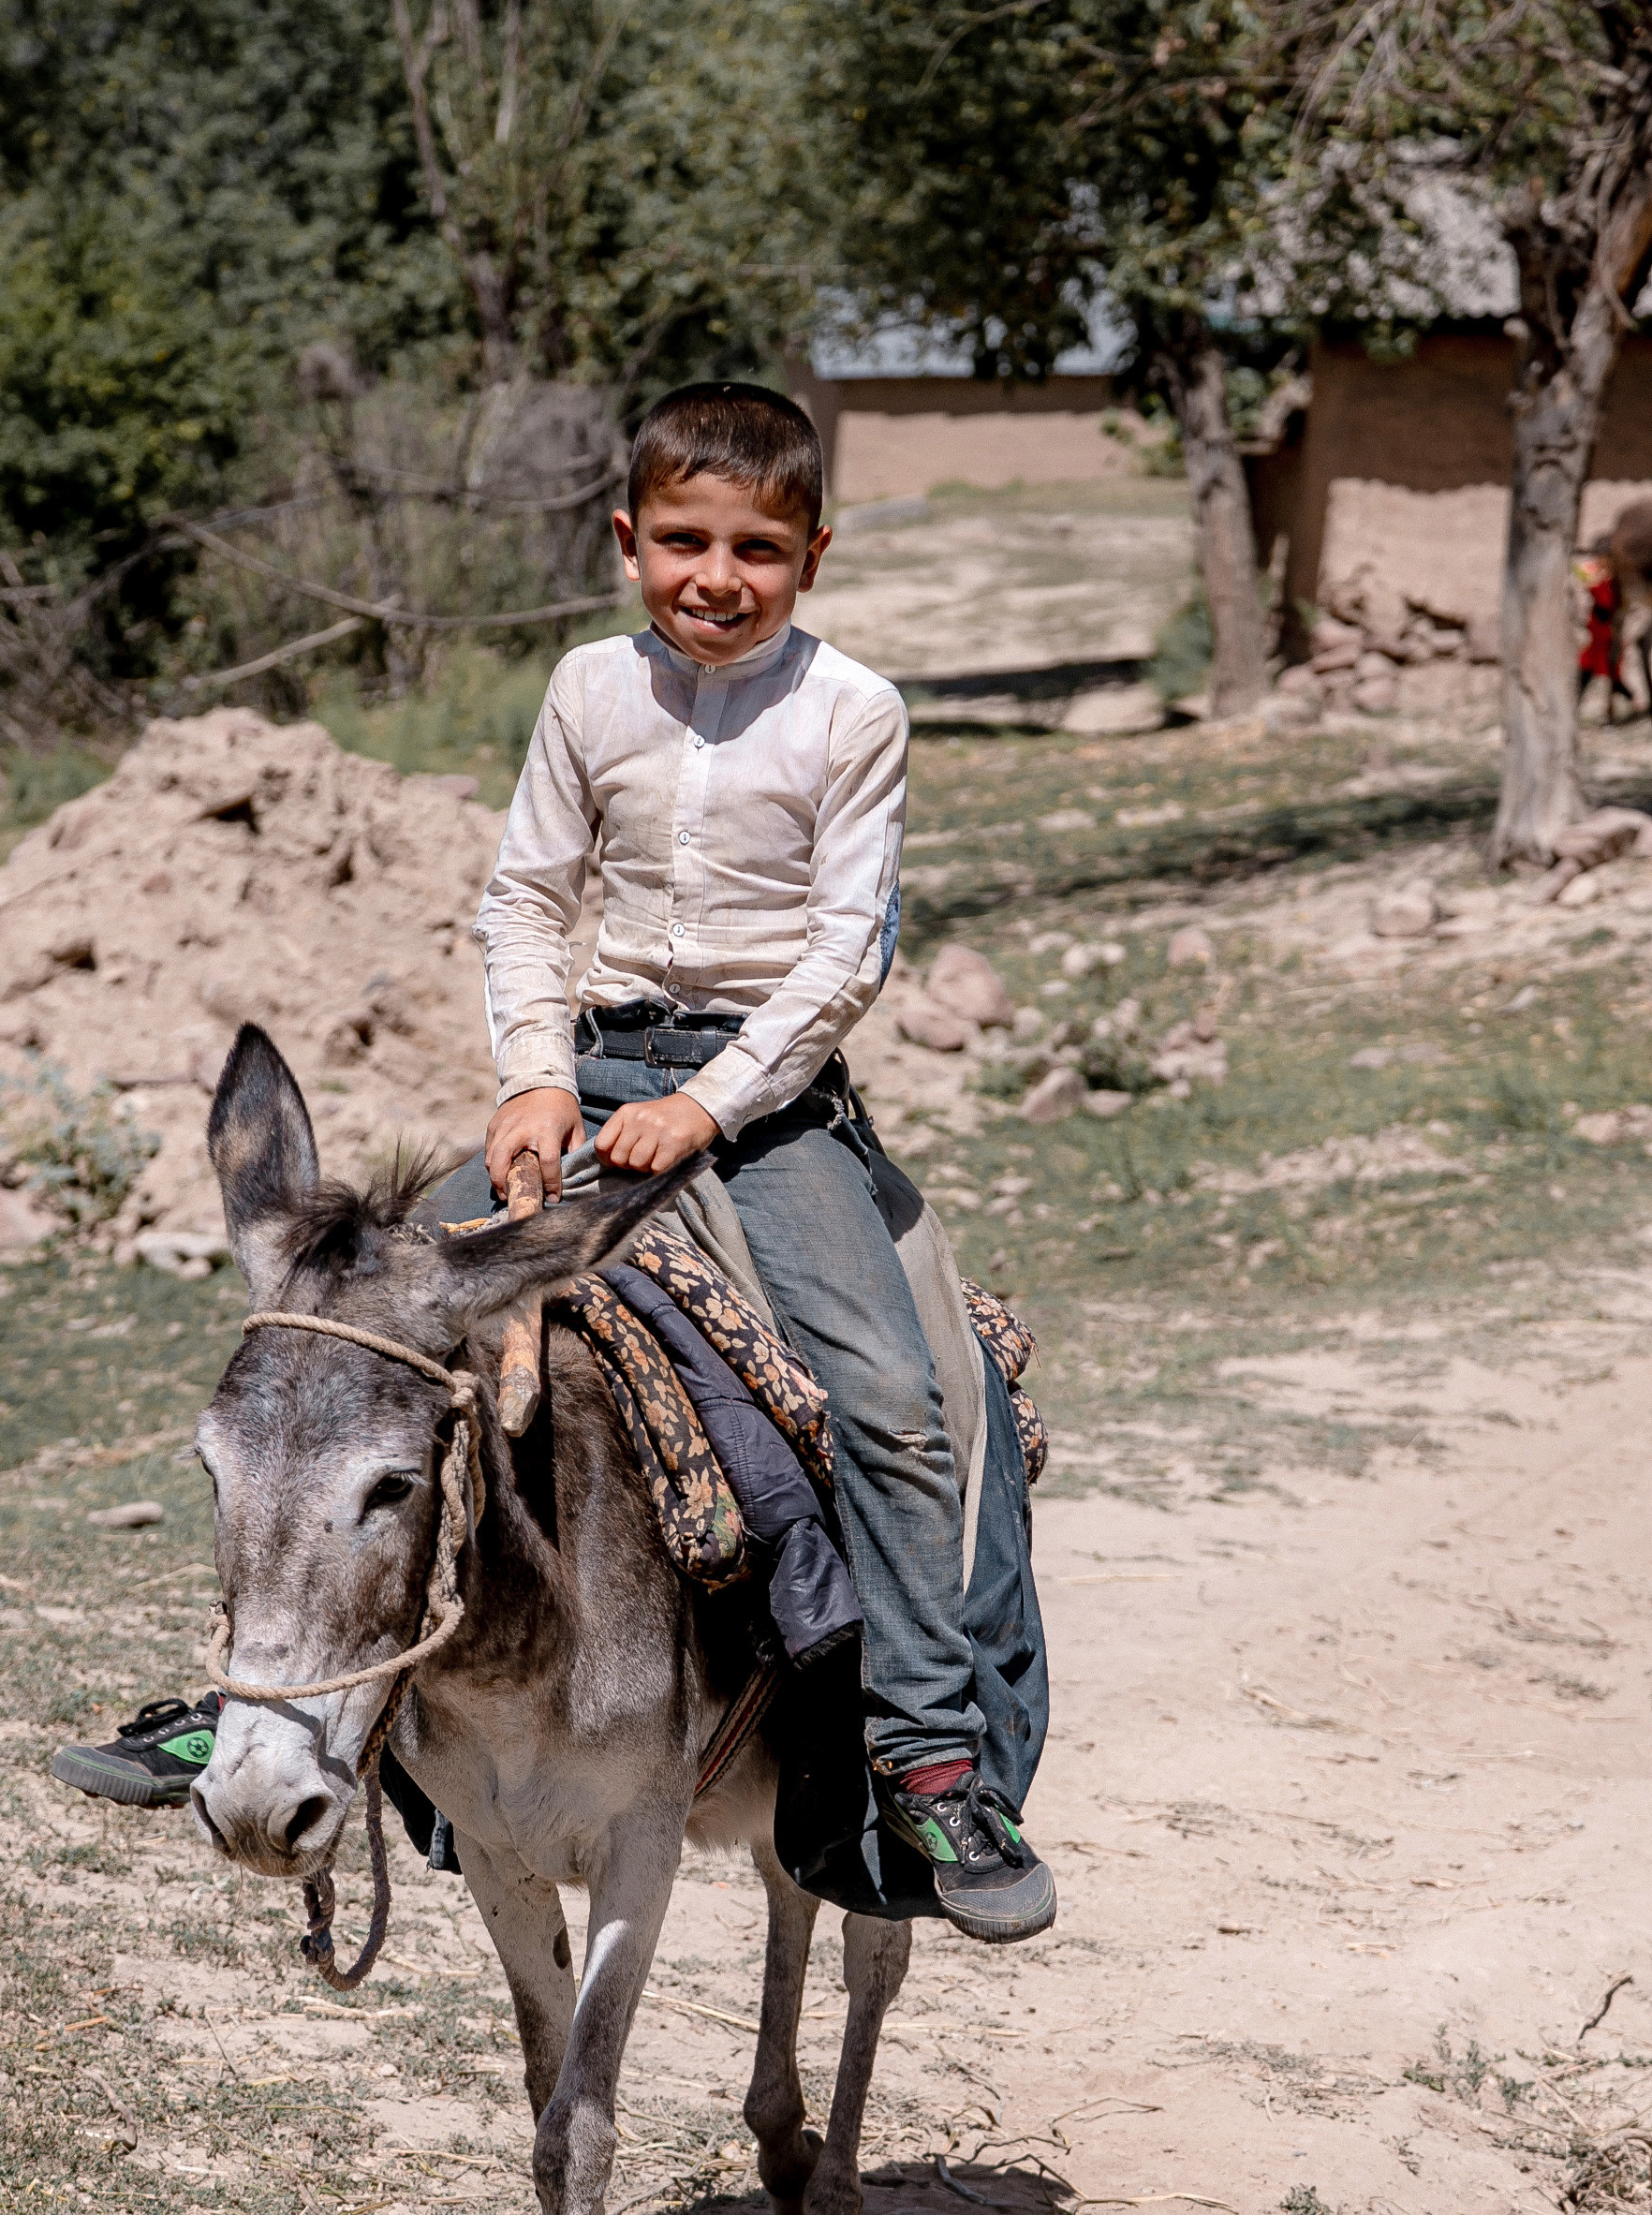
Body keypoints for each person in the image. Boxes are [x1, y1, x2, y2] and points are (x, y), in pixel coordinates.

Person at [55, 381, 1053, 1946]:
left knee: (895, 1397)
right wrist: (534, 1079)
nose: (715, 576)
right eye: (681, 541)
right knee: (342, 1339)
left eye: (758, 549)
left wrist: (710, 1106)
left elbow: (841, 960)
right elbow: (526, 900)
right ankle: (260, 1698)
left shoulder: (856, 713)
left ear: (815, 555)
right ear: (626, 540)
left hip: (771, 1107)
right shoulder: (589, 689)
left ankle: (926, 1752)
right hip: (582, 1076)